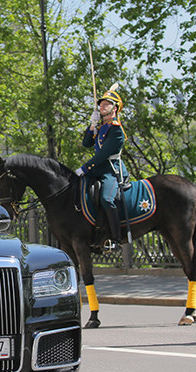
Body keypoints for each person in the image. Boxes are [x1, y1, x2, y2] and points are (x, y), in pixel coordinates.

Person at [74, 87, 129, 252]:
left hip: (111, 170)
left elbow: (104, 154)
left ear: (115, 108)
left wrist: (84, 168)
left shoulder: (116, 130)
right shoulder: (100, 127)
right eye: (101, 104)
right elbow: (86, 144)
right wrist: (92, 125)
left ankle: (115, 239)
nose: (102, 106)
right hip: (98, 169)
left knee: (106, 199)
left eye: (106, 104)